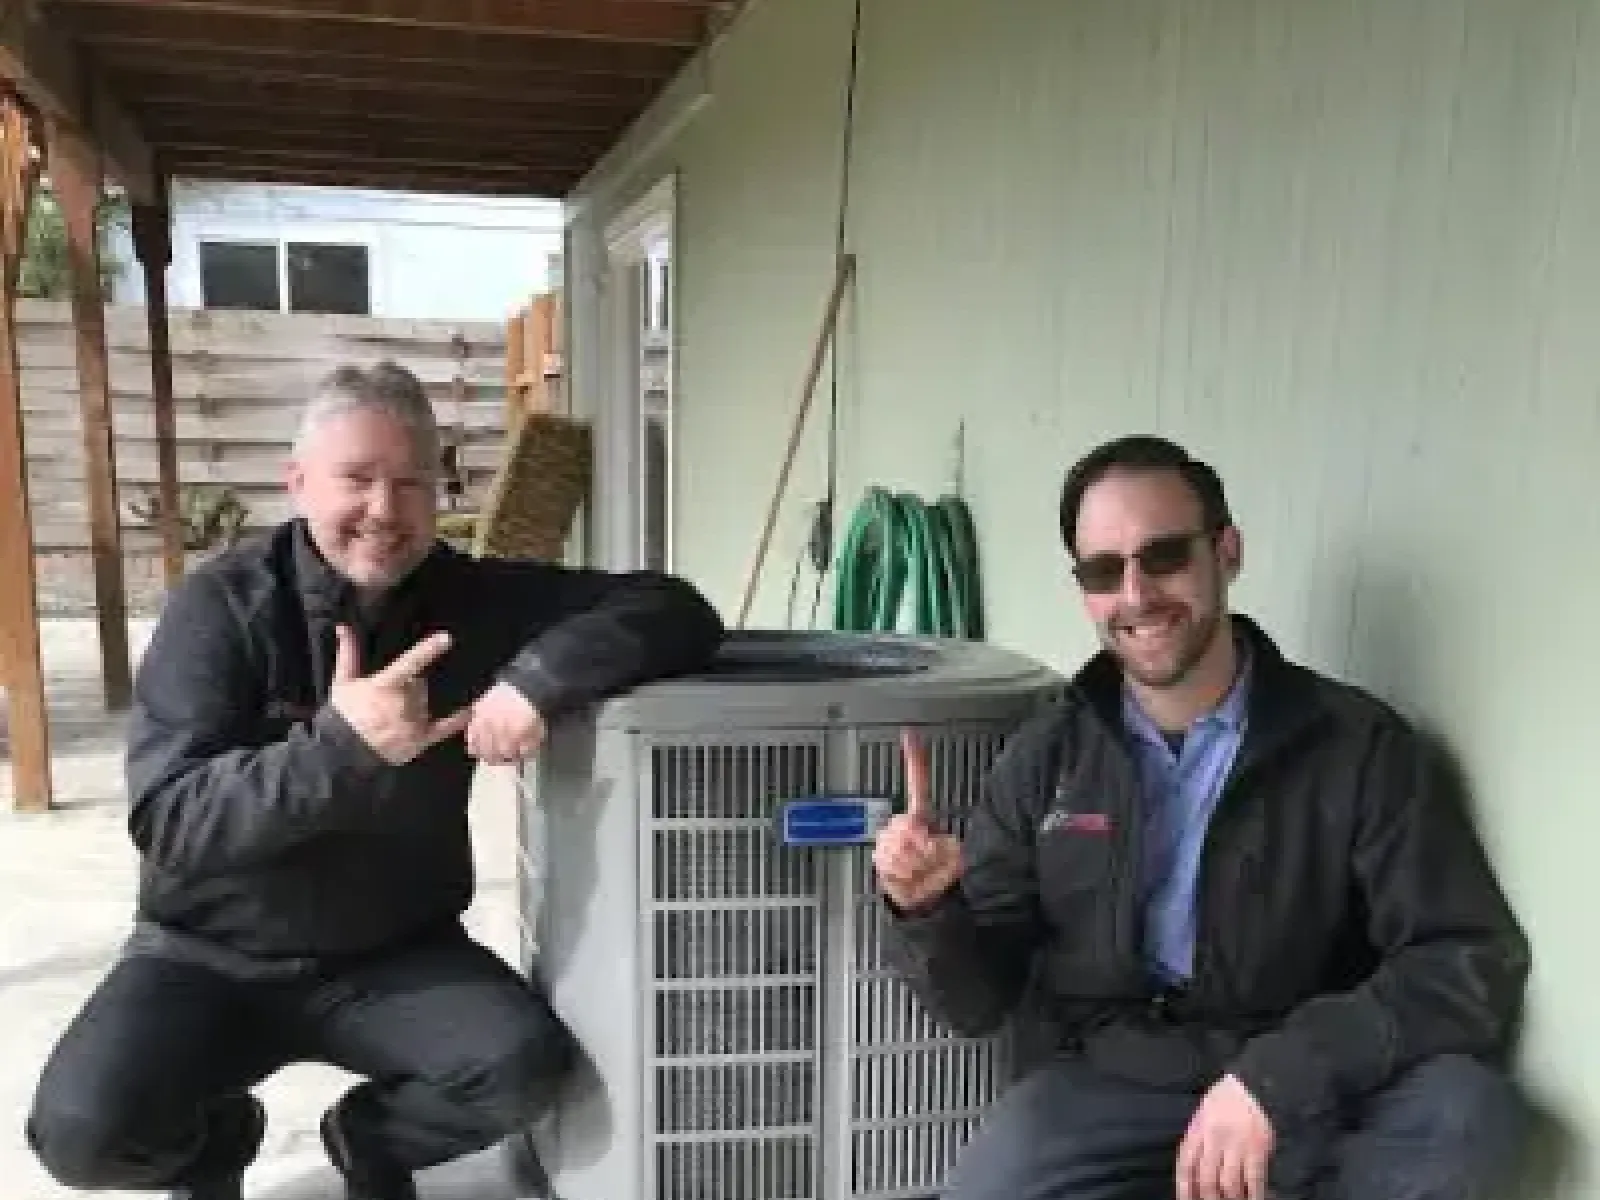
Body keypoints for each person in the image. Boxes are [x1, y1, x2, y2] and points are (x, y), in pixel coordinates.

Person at [25, 361, 726, 1200]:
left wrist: (538, 679)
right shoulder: (219, 607)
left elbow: (672, 605)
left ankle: (370, 1138)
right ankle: (219, 1140)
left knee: (523, 1072)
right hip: (208, 955)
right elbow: (172, 820)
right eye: (356, 480)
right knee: (83, 1135)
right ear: (298, 483)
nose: (385, 512)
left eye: (410, 484)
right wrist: (339, 748)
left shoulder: (467, 596)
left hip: (393, 953)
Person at [874, 435, 1531, 1200]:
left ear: (1227, 550)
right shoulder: (1047, 754)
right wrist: (927, 909)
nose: (1137, 594)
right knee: (995, 1186)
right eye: (1103, 570)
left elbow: (1463, 959)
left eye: (1164, 556)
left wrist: (1279, 1076)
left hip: (1299, 1075)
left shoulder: (1356, 743)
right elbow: (976, 1001)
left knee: (1467, 1115)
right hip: (1110, 1085)